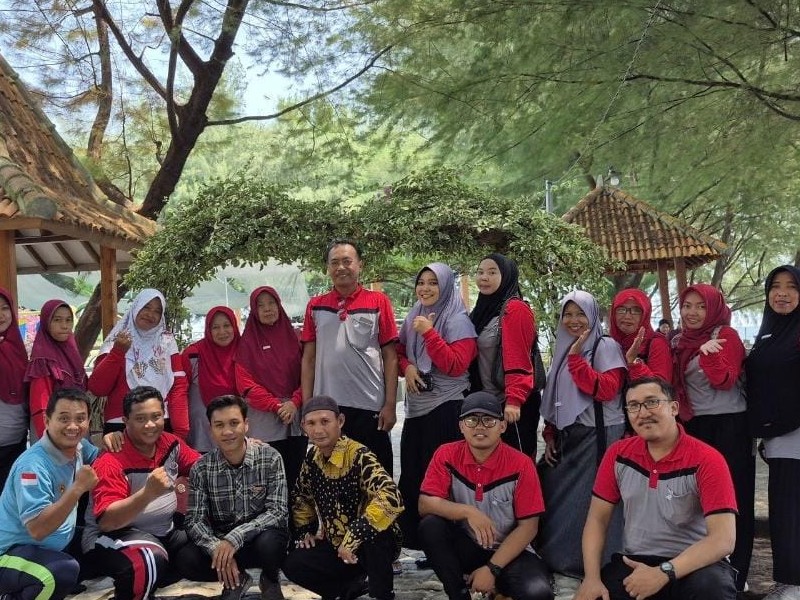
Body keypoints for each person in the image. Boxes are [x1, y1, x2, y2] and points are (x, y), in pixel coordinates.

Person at [573, 377, 738, 600]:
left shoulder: (707, 459)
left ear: (674, 408)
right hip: (636, 561)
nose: (643, 413)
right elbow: (597, 520)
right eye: (633, 406)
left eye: (652, 402)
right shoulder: (618, 454)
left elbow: (723, 539)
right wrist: (591, 578)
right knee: (598, 594)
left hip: (693, 563)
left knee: (711, 588)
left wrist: (664, 572)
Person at [418, 391, 553, 600]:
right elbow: (425, 503)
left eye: (488, 420)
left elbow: (529, 527)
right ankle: (459, 595)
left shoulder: (521, 464)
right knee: (430, 526)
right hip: (468, 545)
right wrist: (468, 512)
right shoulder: (446, 454)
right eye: (472, 420)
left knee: (538, 594)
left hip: (511, 552)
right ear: (461, 426)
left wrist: (492, 569)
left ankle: (496, 589)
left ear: (502, 426)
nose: (480, 427)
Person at [81, 386, 200, 600]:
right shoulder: (111, 460)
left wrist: (243, 448)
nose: (150, 424)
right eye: (140, 419)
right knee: (148, 558)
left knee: (210, 539)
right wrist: (147, 493)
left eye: (156, 416)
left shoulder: (170, 443)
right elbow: (108, 522)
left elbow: (205, 467)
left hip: (166, 532)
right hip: (112, 536)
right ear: (125, 421)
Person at [537, 290, 626, 577]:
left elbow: (607, 389)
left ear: (593, 316)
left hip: (599, 436)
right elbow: (556, 397)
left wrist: (577, 361)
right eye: (568, 314)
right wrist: (551, 433)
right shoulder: (564, 348)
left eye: (581, 314)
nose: (574, 321)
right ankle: (561, 557)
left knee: (592, 501)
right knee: (563, 498)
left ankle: (596, 562)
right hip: (571, 436)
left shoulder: (605, 346)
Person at [672, 283, 753, 591]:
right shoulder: (680, 341)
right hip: (695, 426)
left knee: (733, 497)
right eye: (687, 306)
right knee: (698, 498)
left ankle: (738, 573)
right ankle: (703, 566)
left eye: (701, 306)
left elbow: (724, 381)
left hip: (729, 426)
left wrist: (708, 355)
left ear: (714, 309)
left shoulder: (725, 336)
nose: (692, 313)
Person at [282, 395, 403, 600]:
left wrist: (354, 535)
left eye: (325, 421)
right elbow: (301, 498)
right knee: (294, 562)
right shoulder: (312, 458)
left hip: (369, 543)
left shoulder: (359, 455)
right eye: (311, 423)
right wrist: (306, 532)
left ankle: (382, 594)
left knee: (376, 536)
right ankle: (345, 589)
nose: (318, 430)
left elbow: (392, 496)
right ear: (303, 426)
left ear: (340, 421)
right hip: (336, 544)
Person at [300, 238, 399, 473]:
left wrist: (390, 404)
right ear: (327, 268)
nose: (341, 267)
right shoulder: (315, 306)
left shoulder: (378, 301)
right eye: (334, 262)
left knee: (376, 474)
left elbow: (390, 357)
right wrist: (307, 407)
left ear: (360, 264)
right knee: (333, 475)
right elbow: (309, 359)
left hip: (370, 405)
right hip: (329, 407)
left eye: (347, 261)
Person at [397, 262, 477, 550]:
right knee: (414, 474)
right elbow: (399, 350)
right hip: (417, 408)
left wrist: (430, 334)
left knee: (442, 480)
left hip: (447, 406)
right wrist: (407, 368)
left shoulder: (458, 320)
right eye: (421, 282)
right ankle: (419, 542)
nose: (425, 288)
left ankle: (446, 544)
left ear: (445, 287)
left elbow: (456, 365)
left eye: (433, 283)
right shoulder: (414, 315)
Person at [177, 395, 288, 600]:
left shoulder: (270, 457)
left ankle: (270, 579)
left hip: (258, 539)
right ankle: (235, 579)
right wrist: (215, 548)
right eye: (219, 425)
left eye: (234, 423)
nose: (227, 432)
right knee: (186, 559)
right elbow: (194, 520)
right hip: (222, 543)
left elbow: (278, 511)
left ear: (246, 425)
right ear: (210, 430)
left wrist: (236, 537)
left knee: (271, 544)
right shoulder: (202, 467)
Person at [0, 388, 99, 600]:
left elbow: (104, 460)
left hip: (50, 545)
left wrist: (114, 440)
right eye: (64, 418)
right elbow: (38, 529)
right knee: (60, 573)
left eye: (80, 419)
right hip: (9, 553)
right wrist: (77, 488)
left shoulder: (79, 447)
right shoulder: (32, 466)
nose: (73, 426)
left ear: (88, 421)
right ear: (47, 420)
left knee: (100, 542)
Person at [745, 265, 800, 600]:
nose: (782, 294)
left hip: (795, 434)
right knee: (783, 508)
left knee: (789, 509)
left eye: (792, 287)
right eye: (775, 286)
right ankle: (788, 580)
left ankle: (792, 585)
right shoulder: (769, 333)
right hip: (777, 435)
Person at [89, 289, 189, 439]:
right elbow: (98, 388)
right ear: (136, 307)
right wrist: (118, 352)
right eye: (146, 307)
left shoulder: (166, 341)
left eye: (157, 311)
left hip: (160, 422)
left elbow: (178, 385)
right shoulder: (117, 340)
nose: (150, 314)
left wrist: (181, 431)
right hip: (120, 425)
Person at [236, 286, 307, 490]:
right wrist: (276, 406)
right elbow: (245, 383)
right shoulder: (247, 343)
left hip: (295, 414)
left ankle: (295, 512)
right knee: (266, 477)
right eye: (261, 305)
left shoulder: (297, 338)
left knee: (295, 474)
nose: (267, 309)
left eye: (271, 303)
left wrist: (295, 402)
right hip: (265, 418)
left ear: (279, 305)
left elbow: (309, 374)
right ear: (254, 311)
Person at [470, 253, 540, 457]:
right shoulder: (481, 311)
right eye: (480, 272)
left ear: (507, 276)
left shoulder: (515, 309)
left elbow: (520, 357)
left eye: (492, 273)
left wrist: (514, 400)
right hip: (489, 403)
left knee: (516, 464)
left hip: (512, 406)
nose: (484, 277)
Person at [25, 299, 87, 441]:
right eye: (57, 320)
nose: (64, 326)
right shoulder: (42, 358)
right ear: (46, 322)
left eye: (68, 320)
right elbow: (40, 404)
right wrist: (49, 439)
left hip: (74, 426)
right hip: (51, 432)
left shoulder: (72, 354)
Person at [182, 306, 241, 452]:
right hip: (202, 437)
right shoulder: (193, 355)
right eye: (215, 327)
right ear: (208, 329)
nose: (222, 332)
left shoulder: (245, 351)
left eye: (227, 325)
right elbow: (180, 392)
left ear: (234, 326)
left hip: (238, 435)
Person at [0, 287, 29, 491]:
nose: (1, 315)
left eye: (4, 308)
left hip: (15, 440)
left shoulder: (17, 348)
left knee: (10, 495)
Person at [609, 288, 672, 382]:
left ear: (645, 315)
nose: (627, 316)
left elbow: (660, 386)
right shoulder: (609, 343)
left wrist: (634, 363)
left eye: (636, 310)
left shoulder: (656, 343)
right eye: (621, 309)